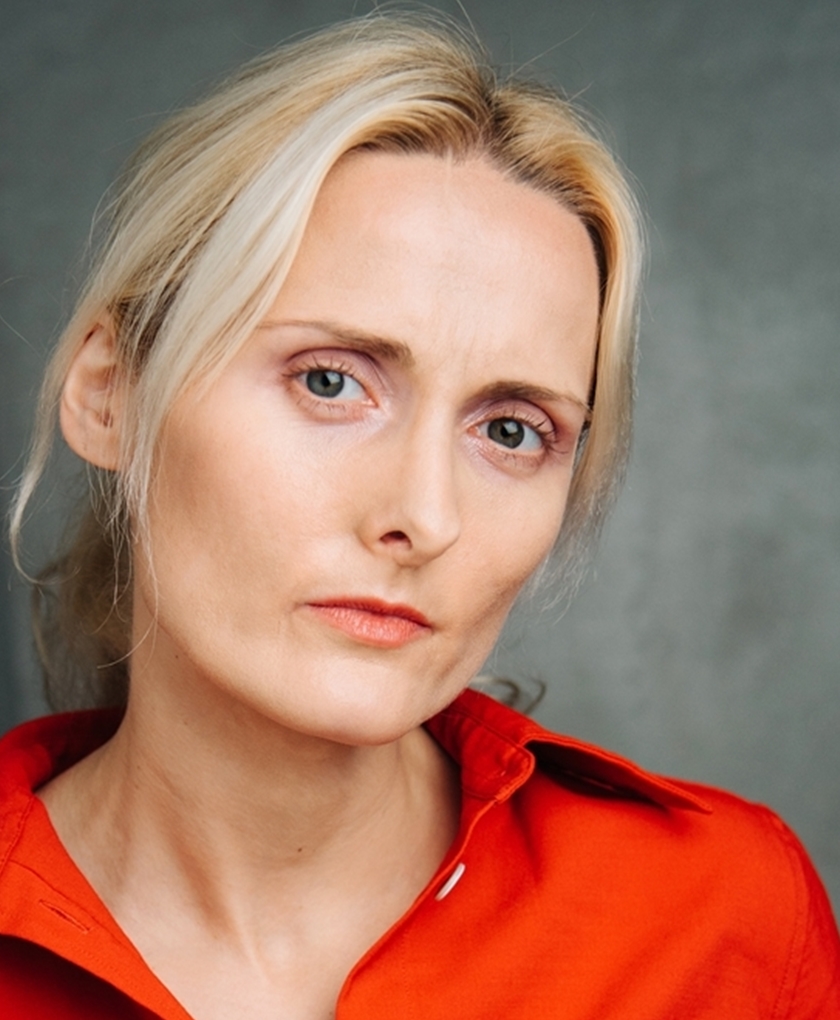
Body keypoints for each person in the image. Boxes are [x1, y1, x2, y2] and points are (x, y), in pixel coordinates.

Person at [1, 13, 838, 1020]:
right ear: (111, 394)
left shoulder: (723, 928)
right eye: (329, 381)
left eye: (511, 432)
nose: (424, 515)